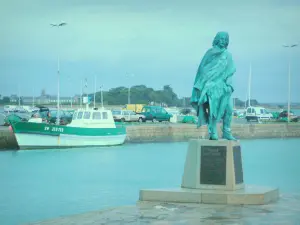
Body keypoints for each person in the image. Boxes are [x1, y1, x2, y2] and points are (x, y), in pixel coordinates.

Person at [190, 31, 236, 140]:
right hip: (211, 86)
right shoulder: (209, 53)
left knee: (229, 109)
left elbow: (231, 70)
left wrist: (229, 85)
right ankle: (213, 131)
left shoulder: (228, 55)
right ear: (216, 40)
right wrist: (206, 81)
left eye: (225, 39)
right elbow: (202, 69)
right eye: (221, 39)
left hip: (223, 86)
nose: (223, 41)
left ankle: (226, 131)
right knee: (213, 110)